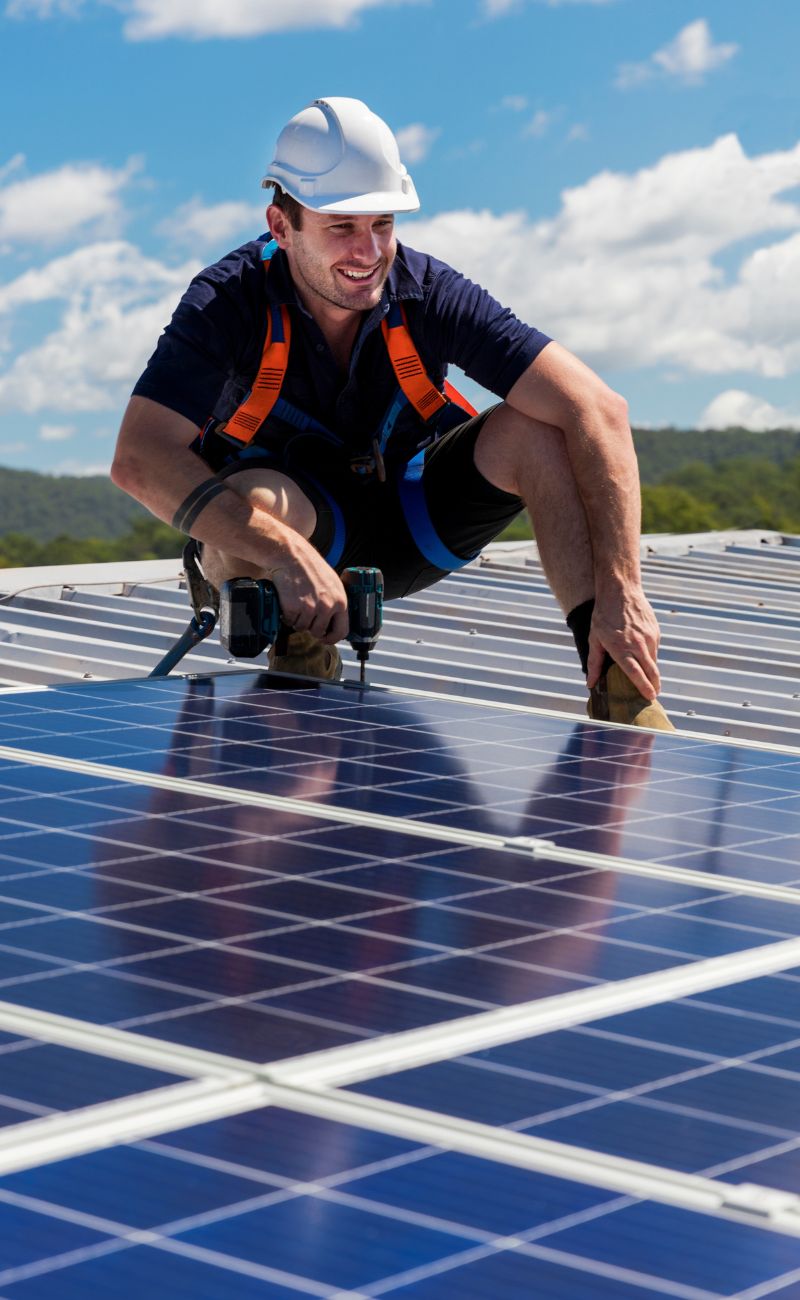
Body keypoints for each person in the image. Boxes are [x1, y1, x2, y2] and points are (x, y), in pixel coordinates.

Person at [112, 96, 674, 731]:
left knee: (543, 428)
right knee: (260, 501)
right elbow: (138, 457)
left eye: (382, 223)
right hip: (295, 539)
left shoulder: (427, 292)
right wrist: (290, 556)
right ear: (281, 225)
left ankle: (621, 685)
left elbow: (599, 408)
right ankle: (299, 655)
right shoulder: (227, 302)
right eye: (341, 227)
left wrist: (624, 592)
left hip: (410, 521)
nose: (368, 251)